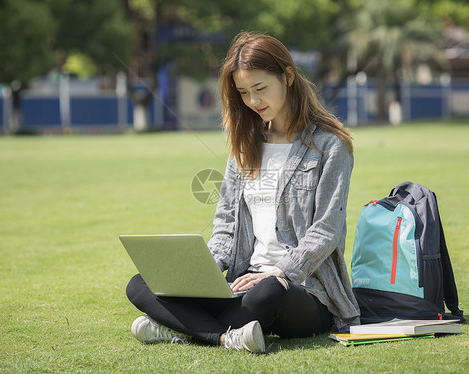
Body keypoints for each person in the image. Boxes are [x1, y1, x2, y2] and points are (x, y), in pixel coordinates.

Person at [126, 32, 360, 353]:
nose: (253, 101)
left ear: (288, 76)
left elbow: (327, 230)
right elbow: (225, 226)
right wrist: (202, 272)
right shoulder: (244, 146)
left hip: (302, 289)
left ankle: (180, 327)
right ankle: (224, 336)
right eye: (244, 93)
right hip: (243, 282)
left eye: (260, 89)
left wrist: (281, 271)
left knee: (267, 294)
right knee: (141, 284)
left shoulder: (331, 145)